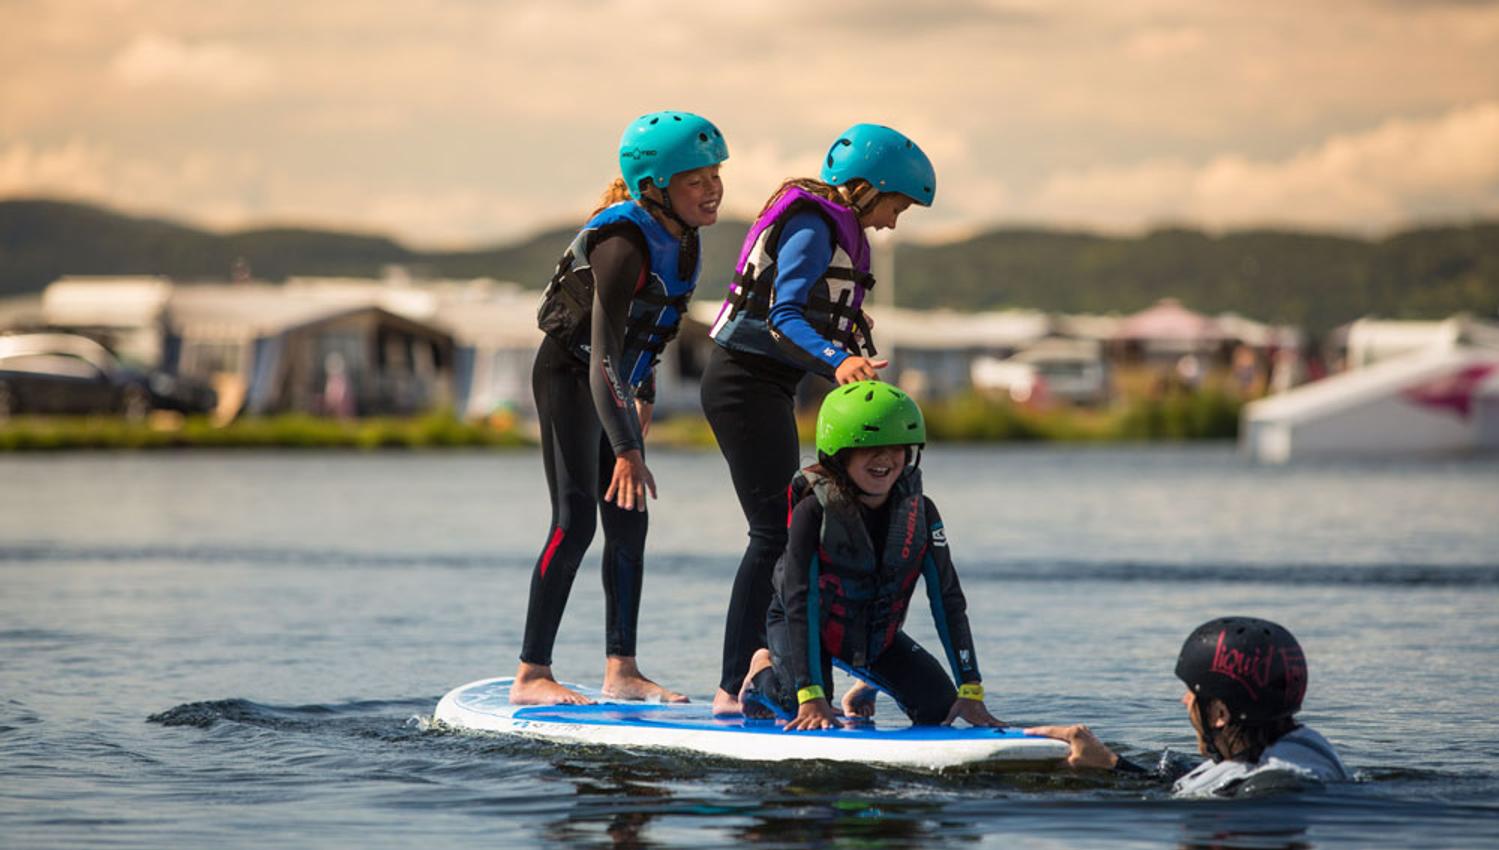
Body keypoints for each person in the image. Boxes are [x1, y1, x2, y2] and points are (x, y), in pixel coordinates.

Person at [702, 123, 937, 714]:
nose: (890, 222)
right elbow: (782, 315)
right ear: (864, 188)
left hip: (770, 386)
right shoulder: (811, 224)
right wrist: (839, 360)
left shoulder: (839, 229)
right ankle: (734, 687)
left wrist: (854, 341)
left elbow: (822, 314)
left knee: (805, 531)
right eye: (894, 206)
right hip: (741, 383)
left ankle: (818, 666)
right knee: (772, 533)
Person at [512, 110, 729, 706]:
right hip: (569, 377)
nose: (711, 188)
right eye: (695, 179)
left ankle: (622, 670)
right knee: (575, 520)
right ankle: (531, 675)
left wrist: (646, 397)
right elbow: (601, 349)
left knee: (630, 521)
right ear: (655, 186)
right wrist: (628, 448)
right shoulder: (622, 241)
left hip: (616, 385)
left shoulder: (683, 239)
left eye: (715, 175)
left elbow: (651, 331)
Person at [736, 380, 1003, 731]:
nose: (885, 458)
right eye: (870, 447)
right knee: (796, 706)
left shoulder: (922, 513)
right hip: (801, 626)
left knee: (940, 709)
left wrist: (970, 686)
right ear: (840, 454)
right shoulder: (812, 512)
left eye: (896, 448)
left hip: (871, 635)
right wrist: (810, 693)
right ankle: (760, 672)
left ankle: (868, 682)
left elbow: (948, 599)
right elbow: (800, 599)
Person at [1027, 617, 1352, 797]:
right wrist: (1111, 764)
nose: (1185, 701)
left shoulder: (1273, 788)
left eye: (1193, 694)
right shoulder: (1303, 745)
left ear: (1220, 714)